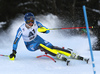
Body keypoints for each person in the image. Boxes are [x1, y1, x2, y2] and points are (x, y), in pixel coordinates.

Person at [9, 12, 89, 64]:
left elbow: (47, 31)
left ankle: (69, 53)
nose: (31, 23)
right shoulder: (21, 29)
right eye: (28, 21)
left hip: (37, 38)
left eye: (32, 21)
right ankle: (56, 55)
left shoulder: (37, 24)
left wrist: (44, 30)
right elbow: (16, 41)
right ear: (25, 21)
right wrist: (14, 52)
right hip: (30, 44)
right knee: (40, 45)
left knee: (51, 46)